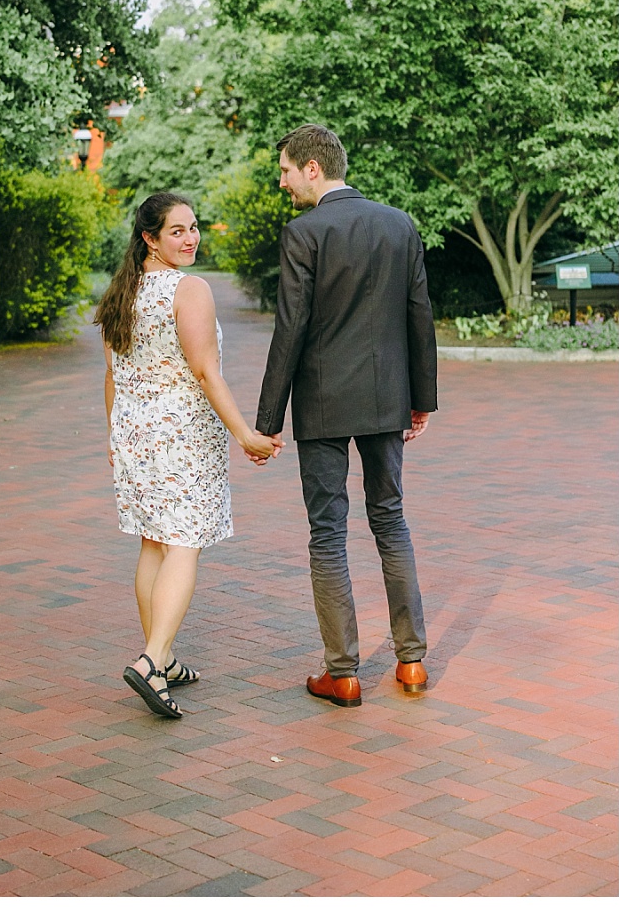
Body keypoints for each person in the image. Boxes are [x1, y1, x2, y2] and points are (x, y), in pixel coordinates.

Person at [255, 124, 437, 709]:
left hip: (324, 400)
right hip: (387, 399)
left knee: (328, 532)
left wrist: (268, 418)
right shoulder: (398, 223)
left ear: (313, 168)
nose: (281, 181)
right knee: (391, 519)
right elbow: (419, 315)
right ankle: (411, 663)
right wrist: (422, 398)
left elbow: (292, 328)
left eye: (285, 169)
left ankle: (344, 673)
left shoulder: (304, 232)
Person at [97, 192, 282, 719]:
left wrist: (115, 440)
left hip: (135, 435)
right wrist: (245, 434)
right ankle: (153, 661)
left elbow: (113, 376)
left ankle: (166, 654)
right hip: (181, 438)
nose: (191, 238)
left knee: (154, 544)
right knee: (183, 543)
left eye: (194, 228)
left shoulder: (121, 293)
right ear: (149, 239)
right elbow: (205, 372)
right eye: (177, 231)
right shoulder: (189, 290)